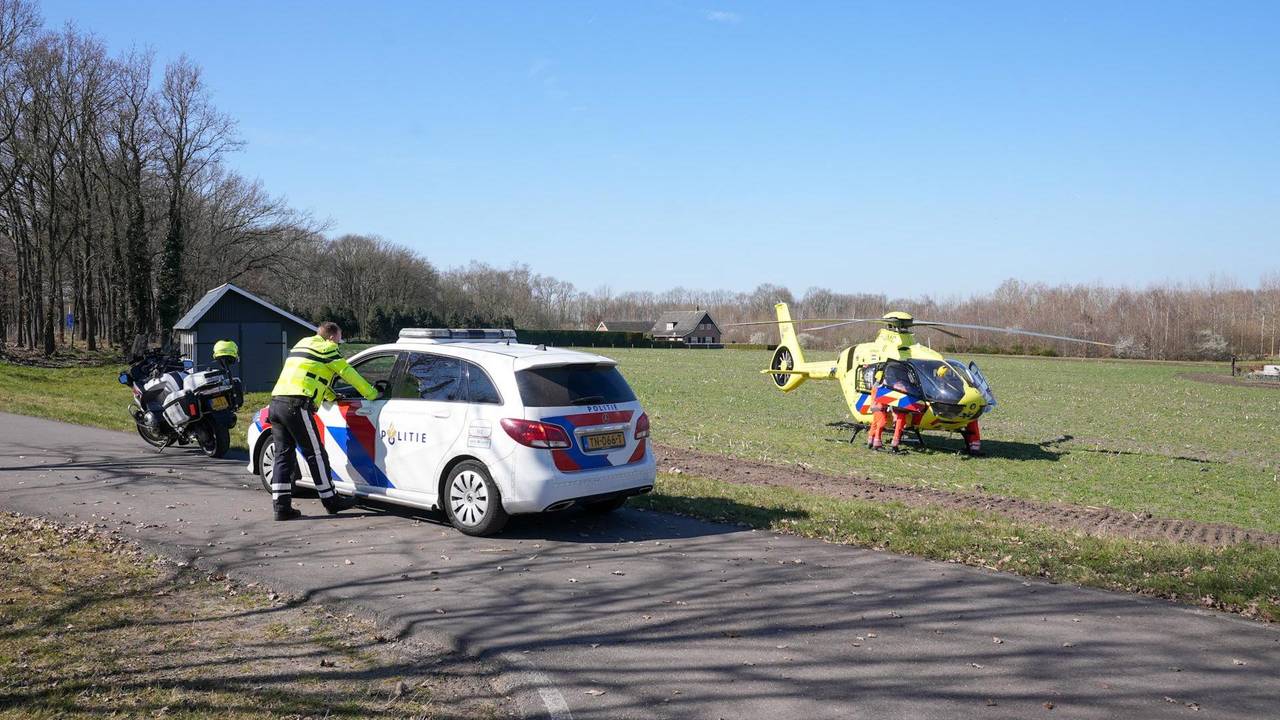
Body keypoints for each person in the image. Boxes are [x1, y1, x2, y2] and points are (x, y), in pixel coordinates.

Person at [267, 321, 378, 520]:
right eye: (339, 338)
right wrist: (371, 393)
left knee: (283, 456)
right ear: (331, 337)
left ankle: (281, 507)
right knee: (316, 454)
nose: (340, 342)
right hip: (296, 405)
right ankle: (331, 500)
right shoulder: (328, 348)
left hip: (276, 403)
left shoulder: (303, 343)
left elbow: (311, 375)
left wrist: (330, 396)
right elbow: (348, 373)